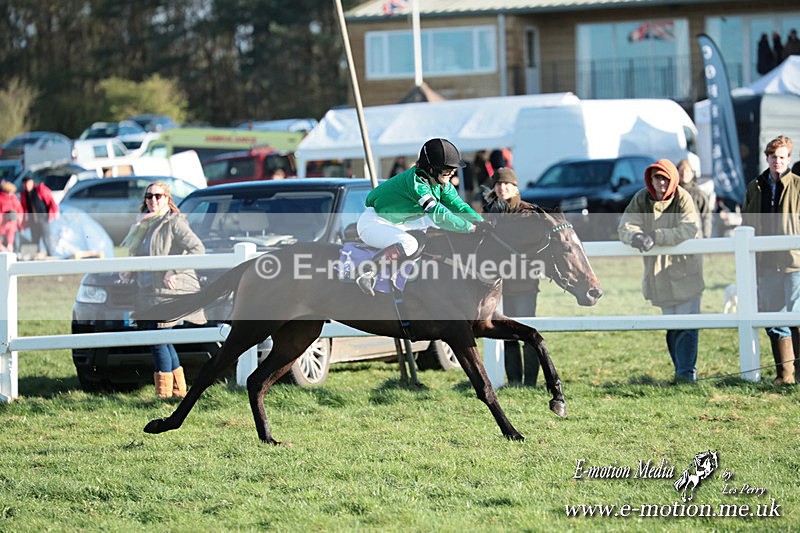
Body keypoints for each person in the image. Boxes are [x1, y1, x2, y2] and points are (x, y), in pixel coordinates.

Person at [356, 138, 487, 296]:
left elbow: (458, 205)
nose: (451, 172)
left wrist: (480, 221)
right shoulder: (417, 184)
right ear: (431, 168)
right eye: (447, 169)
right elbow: (439, 215)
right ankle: (367, 271)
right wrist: (470, 228)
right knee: (409, 244)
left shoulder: (440, 183)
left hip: (396, 223)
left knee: (430, 234)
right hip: (373, 224)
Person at [619, 159, 704, 383]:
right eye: (658, 178)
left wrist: (657, 236)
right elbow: (625, 225)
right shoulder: (641, 197)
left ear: (673, 179)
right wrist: (636, 236)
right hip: (658, 273)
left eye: (666, 178)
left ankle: (686, 375)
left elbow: (689, 228)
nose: (662, 183)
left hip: (685, 270)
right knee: (671, 326)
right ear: (651, 179)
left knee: (686, 327)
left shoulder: (682, 197)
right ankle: (681, 372)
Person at [120, 182, 206, 398]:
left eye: (158, 196)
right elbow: (137, 254)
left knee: (158, 339)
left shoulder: (174, 222)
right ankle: (178, 392)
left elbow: (198, 249)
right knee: (161, 340)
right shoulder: (143, 224)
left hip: (169, 293)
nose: (153, 200)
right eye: (149, 196)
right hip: (147, 292)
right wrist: (128, 271)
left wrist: (173, 269)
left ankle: (164, 395)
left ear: (167, 199)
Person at [742, 135, 800, 385]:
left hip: (794, 262)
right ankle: (784, 375)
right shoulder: (755, 186)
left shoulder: (798, 185)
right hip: (765, 263)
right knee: (773, 318)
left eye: (782, 157)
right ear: (767, 158)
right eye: (773, 156)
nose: (777, 161)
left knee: (797, 317)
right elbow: (747, 222)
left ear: (789, 159)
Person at [482, 167, 540, 385]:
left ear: (515, 187)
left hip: (524, 282)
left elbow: (516, 240)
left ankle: (531, 383)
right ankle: (515, 381)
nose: (502, 187)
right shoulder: (492, 210)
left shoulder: (527, 212)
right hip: (498, 283)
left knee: (527, 333)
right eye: (498, 184)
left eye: (507, 184)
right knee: (507, 334)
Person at [19, 175, 59, 256]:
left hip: (43, 218)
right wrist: (22, 222)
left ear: (32, 182)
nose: (27, 186)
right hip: (32, 220)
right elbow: (23, 208)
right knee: (35, 239)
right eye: (25, 184)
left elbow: (51, 200)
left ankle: (50, 255)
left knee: (46, 239)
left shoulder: (40, 189)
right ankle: (35, 257)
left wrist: (55, 211)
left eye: (28, 183)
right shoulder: (24, 195)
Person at [676, 159, 712, 238]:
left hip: (695, 236)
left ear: (692, 173)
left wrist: (706, 237)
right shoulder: (673, 193)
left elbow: (706, 216)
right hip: (676, 236)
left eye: (687, 171)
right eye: (681, 171)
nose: (684, 174)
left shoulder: (698, 193)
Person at [0, 180, 23, 253]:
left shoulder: (14, 197)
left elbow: (19, 209)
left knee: (14, 243)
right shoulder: (1, 198)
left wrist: (19, 219)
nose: (11, 193)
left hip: (12, 225)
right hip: (2, 226)